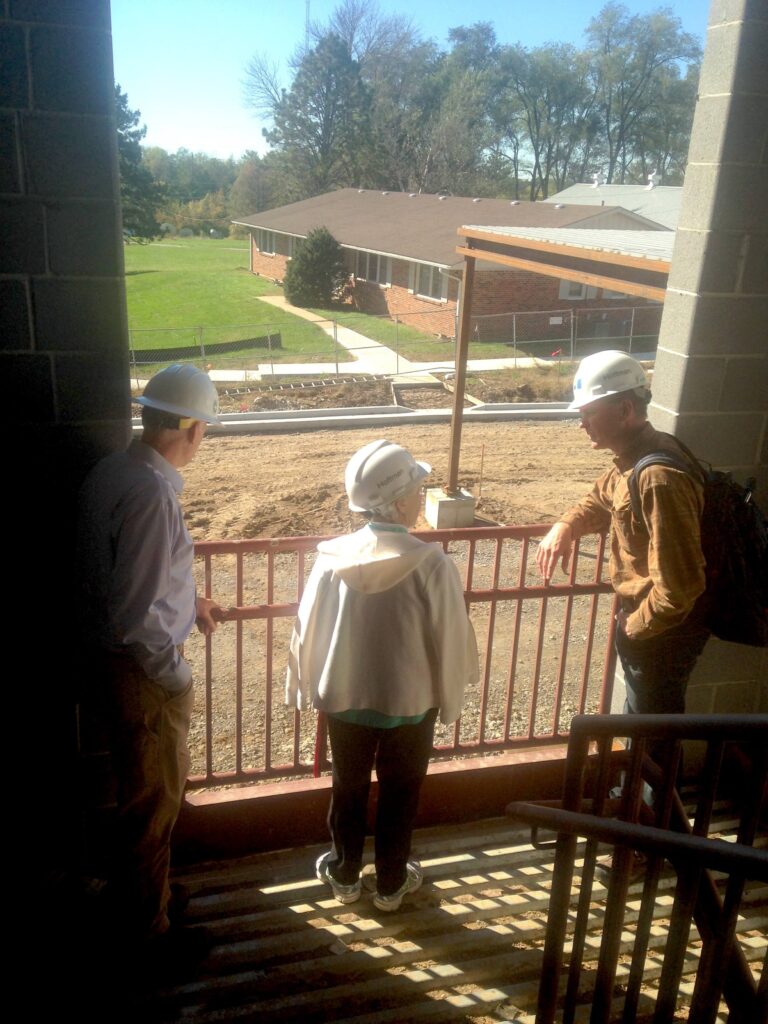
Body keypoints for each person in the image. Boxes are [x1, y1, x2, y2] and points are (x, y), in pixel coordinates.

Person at [286, 439, 478, 911]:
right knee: (401, 791)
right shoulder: (431, 563)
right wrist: (450, 698)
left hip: (345, 700)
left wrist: (302, 682)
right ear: (397, 501)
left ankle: (345, 872)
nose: (421, 497)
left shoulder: (332, 557)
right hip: (412, 705)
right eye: (417, 489)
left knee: (347, 786)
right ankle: (392, 883)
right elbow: (450, 638)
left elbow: (308, 626)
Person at [78, 364, 223, 966]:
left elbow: (132, 577)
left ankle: (144, 893)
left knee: (140, 795)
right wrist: (176, 677)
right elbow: (137, 612)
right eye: (204, 431)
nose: (202, 442)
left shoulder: (114, 470)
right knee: (155, 800)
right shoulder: (153, 494)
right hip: (143, 674)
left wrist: (194, 601)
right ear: (188, 430)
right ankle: (148, 932)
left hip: (114, 665)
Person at [536, 350, 709, 723]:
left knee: (653, 738)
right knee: (640, 724)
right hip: (654, 628)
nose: (582, 423)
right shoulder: (633, 459)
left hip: (662, 634)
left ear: (624, 410)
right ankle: (631, 781)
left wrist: (635, 627)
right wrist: (566, 525)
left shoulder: (658, 477)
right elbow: (600, 499)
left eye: (589, 412)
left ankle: (649, 784)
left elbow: (680, 586)